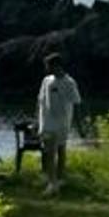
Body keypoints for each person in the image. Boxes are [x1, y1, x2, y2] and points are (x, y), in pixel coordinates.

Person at [37, 53, 83, 195]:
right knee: (50, 152)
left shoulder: (69, 82)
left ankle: (55, 182)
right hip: (46, 122)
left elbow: (76, 102)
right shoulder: (46, 80)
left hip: (61, 123)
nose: (47, 69)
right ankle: (53, 180)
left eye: (49, 66)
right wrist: (36, 120)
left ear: (57, 66)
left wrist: (79, 126)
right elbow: (40, 100)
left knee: (58, 151)